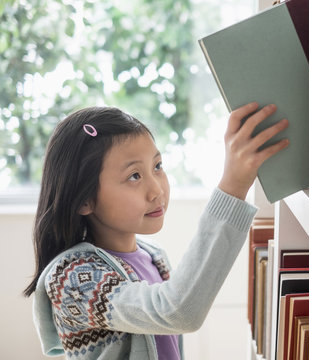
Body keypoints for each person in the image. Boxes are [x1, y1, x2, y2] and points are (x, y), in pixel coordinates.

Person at [24, 104, 289, 359]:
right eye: (134, 176)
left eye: (158, 167)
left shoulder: (153, 256)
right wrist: (233, 186)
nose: (157, 190)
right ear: (84, 200)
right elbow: (178, 311)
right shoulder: (71, 278)